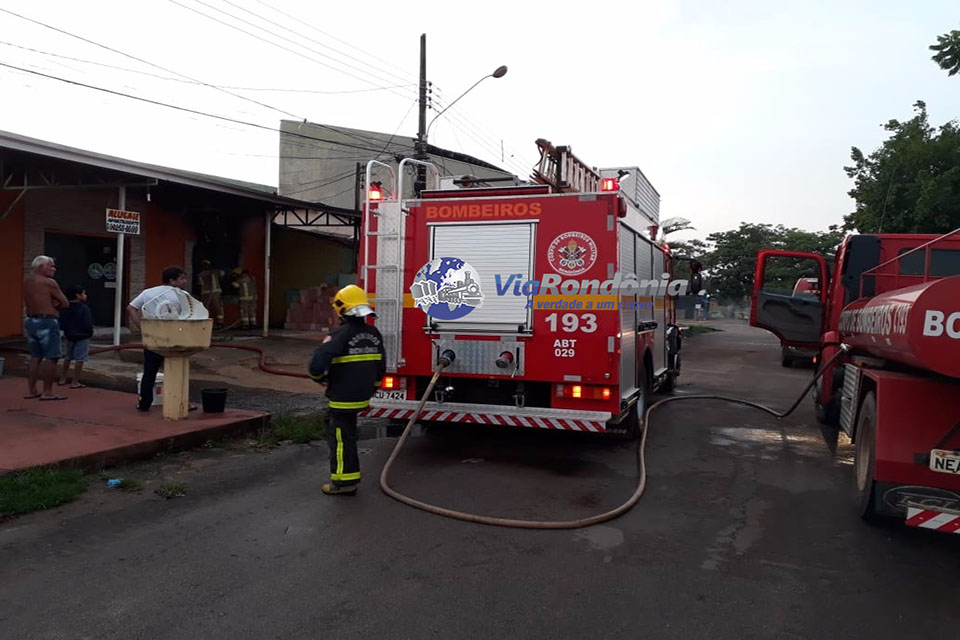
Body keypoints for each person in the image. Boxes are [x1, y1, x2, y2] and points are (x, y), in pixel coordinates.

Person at [308, 285, 385, 496]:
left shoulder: (339, 335)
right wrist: (372, 388)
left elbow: (316, 364)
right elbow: (381, 367)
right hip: (362, 395)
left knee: (340, 438)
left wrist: (319, 378)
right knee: (344, 430)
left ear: (343, 309)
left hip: (342, 397)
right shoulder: (374, 334)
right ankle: (348, 476)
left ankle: (343, 483)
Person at [127, 266, 190, 412]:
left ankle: (144, 404)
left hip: (153, 337)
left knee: (150, 371)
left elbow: (131, 308)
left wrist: (142, 328)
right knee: (177, 370)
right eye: (182, 278)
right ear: (172, 280)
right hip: (175, 338)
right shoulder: (183, 295)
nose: (185, 281)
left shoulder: (148, 292)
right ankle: (180, 403)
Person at [22, 255, 70, 400]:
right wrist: (56, 304)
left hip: (31, 321)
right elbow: (65, 303)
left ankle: (31, 390)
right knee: (52, 357)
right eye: (51, 266)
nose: (54, 269)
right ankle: (47, 391)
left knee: (35, 357)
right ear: (41, 267)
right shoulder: (49, 282)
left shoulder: (28, 281)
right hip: (47, 321)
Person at [58, 284, 94, 389]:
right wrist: (89, 333)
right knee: (80, 359)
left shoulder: (65, 307)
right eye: (83, 293)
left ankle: (63, 378)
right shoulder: (84, 308)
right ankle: (75, 381)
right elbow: (87, 323)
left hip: (69, 335)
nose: (85, 295)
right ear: (78, 295)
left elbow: (62, 321)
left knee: (67, 357)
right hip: (82, 336)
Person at [197, 259, 225, 328]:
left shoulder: (201, 275)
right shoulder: (214, 272)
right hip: (212, 292)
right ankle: (219, 322)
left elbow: (200, 284)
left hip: (209, 292)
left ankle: (219, 322)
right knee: (216, 307)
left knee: (214, 307)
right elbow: (223, 273)